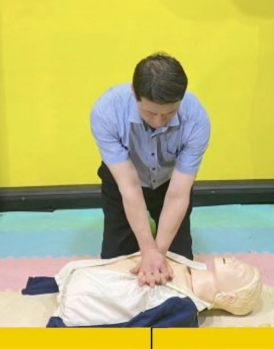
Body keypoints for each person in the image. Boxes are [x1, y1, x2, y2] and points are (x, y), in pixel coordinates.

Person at [89, 52, 211, 288]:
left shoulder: (196, 119)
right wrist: (147, 248)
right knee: (116, 266)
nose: (158, 121)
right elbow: (129, 186)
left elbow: (178, 194)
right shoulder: (107, 112)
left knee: (178, 266)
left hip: (169, 182)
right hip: (124, 183)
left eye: (169, 113)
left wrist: (157, 253)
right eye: (150, 113)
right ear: (134, 94)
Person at [49, 252, 262, 328]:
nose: (235, 261)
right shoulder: (190, 266)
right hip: (86, 276)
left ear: (229, 297)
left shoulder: (184, 308)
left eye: (241, 271)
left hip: (87, 296)